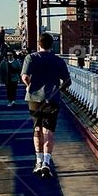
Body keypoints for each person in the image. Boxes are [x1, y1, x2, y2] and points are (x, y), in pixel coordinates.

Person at [21, 33, 71, 178]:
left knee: (37, 129)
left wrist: (28, 85)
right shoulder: (58, 61)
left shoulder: (30, 58)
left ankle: (38, 161)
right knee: (48, 131)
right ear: (51, 45)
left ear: (39, 43)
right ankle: (46, 163)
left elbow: (24, 76)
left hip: (34, 99)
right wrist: (58, 90)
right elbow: (67, 81)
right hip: (52, 100)